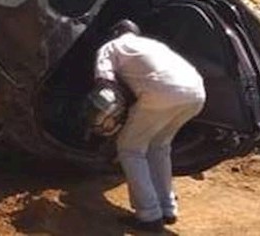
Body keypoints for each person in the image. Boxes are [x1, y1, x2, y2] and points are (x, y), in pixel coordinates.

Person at [88, 20, 206, 232]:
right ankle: (168, 209)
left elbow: (104, 87)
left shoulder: (110, 47)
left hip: (164, 94)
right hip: (196, 93)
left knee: (130, 149)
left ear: (115, 34)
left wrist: (102, 120)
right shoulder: (153, 44)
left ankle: (149, 215)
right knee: (159, 147)